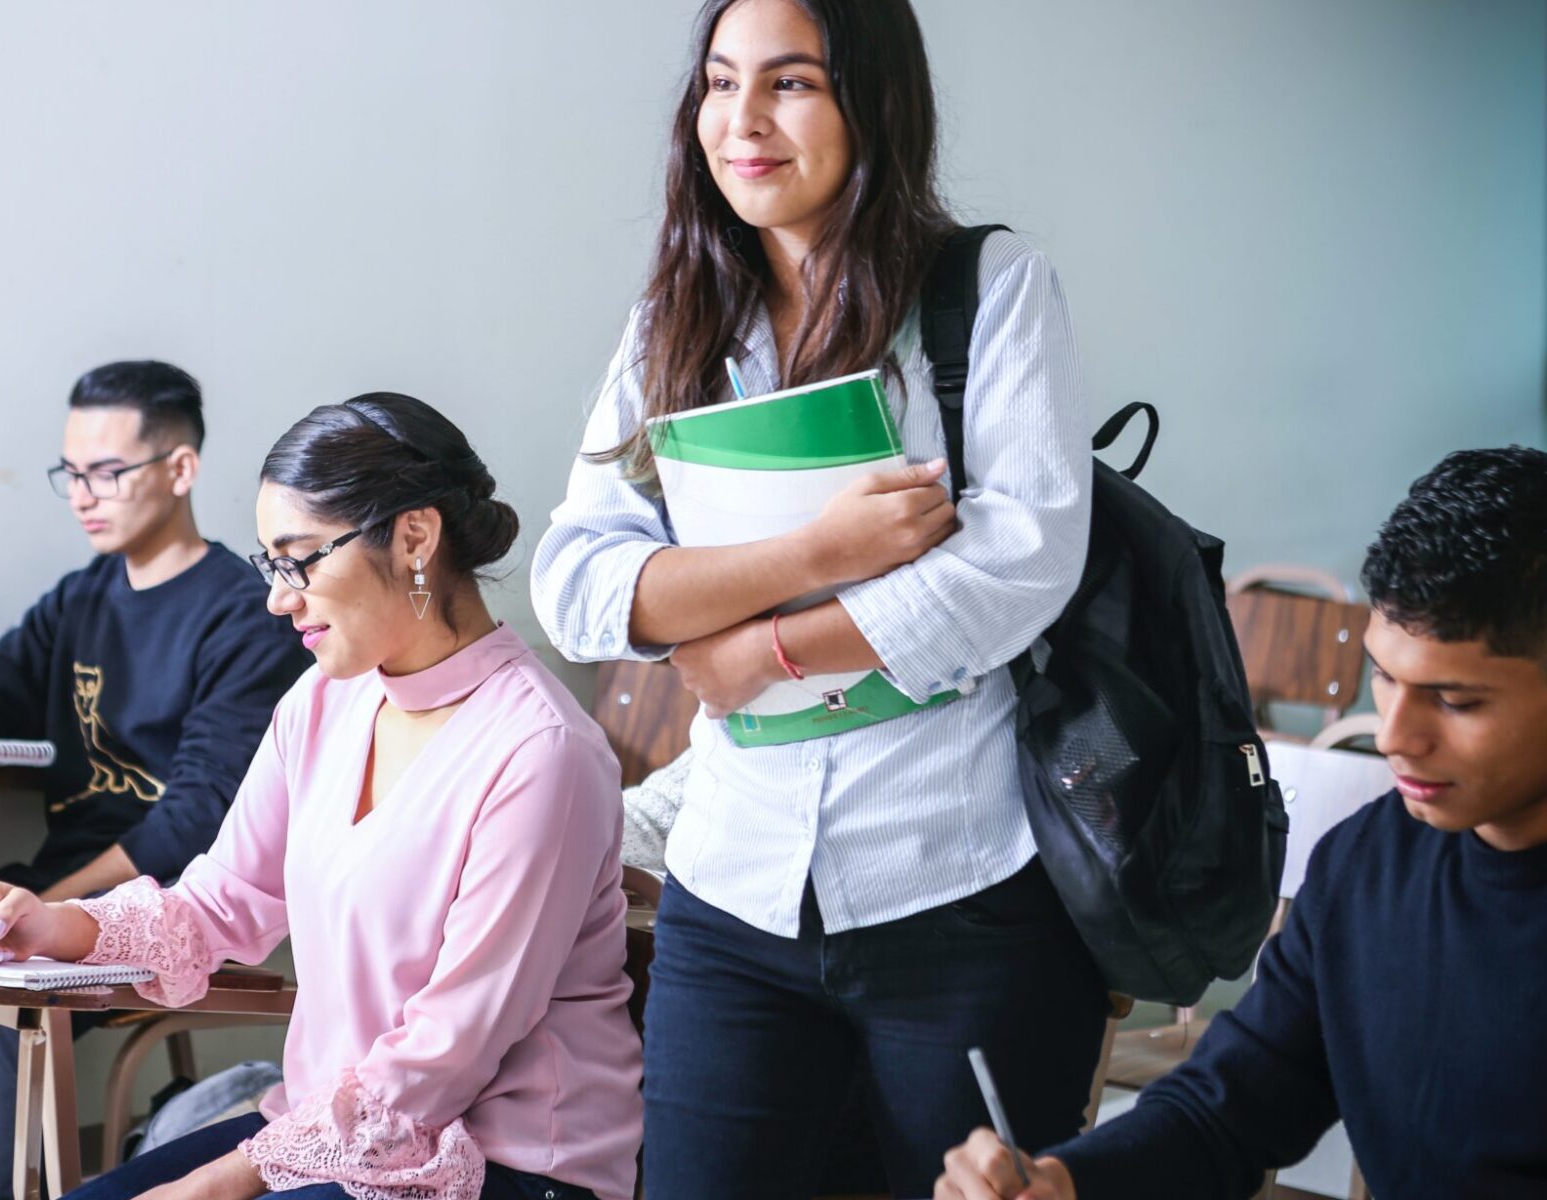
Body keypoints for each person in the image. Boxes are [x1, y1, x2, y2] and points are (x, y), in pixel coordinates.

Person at [531, 1, 1105, 1194]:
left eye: (789, 83)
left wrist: (754, 656)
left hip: (959, 883)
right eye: (719, 83)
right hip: (732, 888)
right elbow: (577, 584)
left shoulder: (988, 290)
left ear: (870, 100)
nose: (741, 122)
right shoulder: (671, 322)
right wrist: (817, 556)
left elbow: (1018, 564)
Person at [0, 392, 642, 1200]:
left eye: (301, 559)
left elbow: (445, 1053)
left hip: (509, 1166)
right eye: (270, 564)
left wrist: (211, 1187)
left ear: (414, 536)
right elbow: (219, 902)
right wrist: (50, 925)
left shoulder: (541, 755)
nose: (280, 597)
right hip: (333, 1133)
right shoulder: (321, 703)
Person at [935, 445, 1547, 1200]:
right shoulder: (1365, 867)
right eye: (1385, 677)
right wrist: (1065, 1180)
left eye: (1456, 701)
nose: (1393, 734)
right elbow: (1230, 1109)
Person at [0, 360, 310, 1200]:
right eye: (72, 474)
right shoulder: (85, 596)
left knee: (6, 1002)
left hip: (170, 901)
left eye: (108, 472)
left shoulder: (245, 615)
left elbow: (192, 824)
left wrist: (54, 910)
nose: (84, 495)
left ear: (180, 469)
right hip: (63, 884)